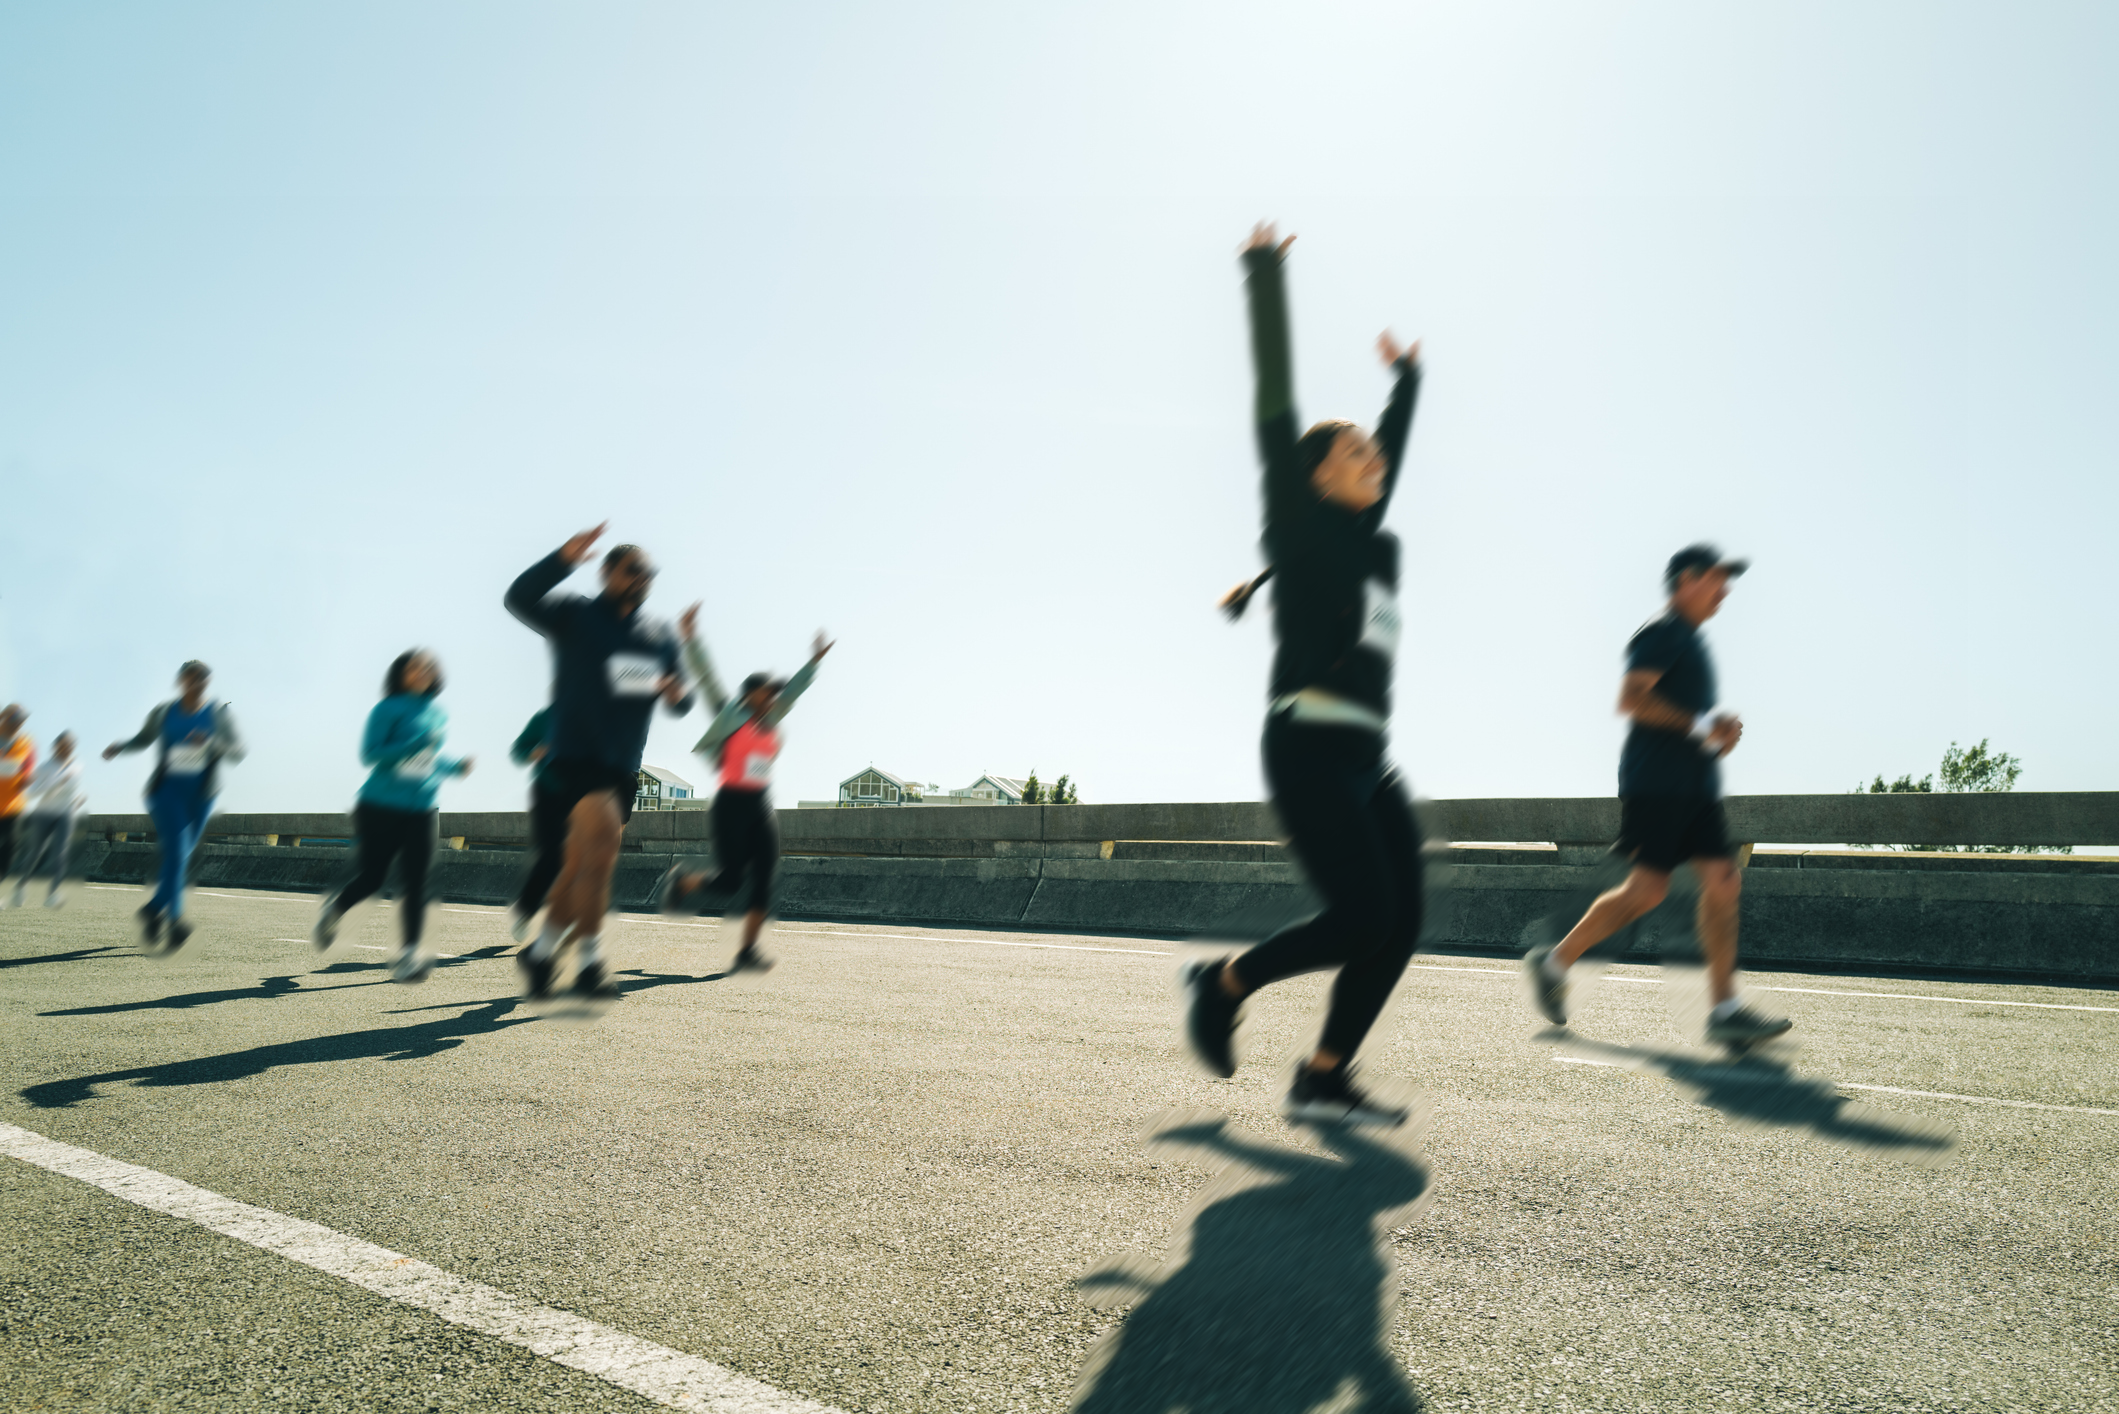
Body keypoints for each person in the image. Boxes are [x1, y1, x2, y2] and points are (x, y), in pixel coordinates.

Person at [1180, 222, 1426, 1128]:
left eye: (1376, 452)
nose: (1375, 459)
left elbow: (1394, 441)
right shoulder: (1296, 522)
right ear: (1316, 476)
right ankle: (1225, 981)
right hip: (1306, 745)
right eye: (1356, 452)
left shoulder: (1370, 538)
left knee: (1400, 921)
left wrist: (1407, 381)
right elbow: (1273, 403)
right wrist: (1262, 276)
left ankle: (1323, 1075)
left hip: (1369, 757)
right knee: (1362, 914)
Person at [1523, 545, 1792, 1048]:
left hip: (1693, 785)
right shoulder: (1662, 633)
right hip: (1657, 784)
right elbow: (1633, 698)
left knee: (1723, 880)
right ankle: (1555, 960)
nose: (1725, 590)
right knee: (1648, 891)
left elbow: (1683, 723)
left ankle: (1726, 1010)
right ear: (1686, 581)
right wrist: (1701, 724)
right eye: (1716, 579)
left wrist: (1714, 737)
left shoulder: (1691, 644)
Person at [506, 525, 692, 999]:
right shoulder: (575, 615)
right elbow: (518, 598)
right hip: (576, 758)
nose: (642, 578)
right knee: (603, 855)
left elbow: (681, 699)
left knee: (579, 867)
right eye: (633, 570)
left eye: (648, 573)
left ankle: (541, 951)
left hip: (623, 765)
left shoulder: (660, 633)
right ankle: (589, 964)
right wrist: (561, 560)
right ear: (607, 571)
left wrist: (677, 692)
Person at [656, 608, 833, 970]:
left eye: (774, 695)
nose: (773, 699)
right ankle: (685, 882)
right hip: (730, 805)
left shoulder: (772, 718)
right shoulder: (729, 714)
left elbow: (794, 690)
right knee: (731, 879)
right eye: (767, 693)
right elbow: (706, 677)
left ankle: (747, 951)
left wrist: (813, 662)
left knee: (764, 878)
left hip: (760, 804)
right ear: (750, 695)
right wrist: (690, 639)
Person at [311, 650, 474, 982]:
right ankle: (335, 911)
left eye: (428, 667)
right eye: (414, 666)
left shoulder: (437, 712)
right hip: (380, 805)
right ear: (401, 673)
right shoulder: (385, 708)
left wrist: (455, 766)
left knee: (416, 881)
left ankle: (409, 955)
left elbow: (430, 757)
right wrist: (411, 745)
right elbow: (371, 755)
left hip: (423, 806)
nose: (422, 671)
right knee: (373, 878)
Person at [104, 661, 246, 950]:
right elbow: (144, 739)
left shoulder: (218, 714)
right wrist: (121, 746)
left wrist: (212, 742)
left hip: (202, 796)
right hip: (166, 792)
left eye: (202, 680)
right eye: (191, 680)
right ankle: (175, 921)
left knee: (180, 857)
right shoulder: (163, 712)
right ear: (181, 681)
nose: (197, 685)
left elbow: (237, 751)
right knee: (178, 852)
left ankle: (153, 909)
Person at [507, 704, 565, 945]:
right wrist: (536, 751)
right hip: (549, 792)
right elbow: (518, 750)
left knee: (580, 859)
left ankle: (563, 922)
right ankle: (526, 911)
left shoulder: (598, 714)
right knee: (551, 857)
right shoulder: (547, 716)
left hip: (588, 795)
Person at [9, 731, 86, 908]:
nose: (66, 749)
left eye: (69, 746)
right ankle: (20, 887)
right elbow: (32, 792)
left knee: (61, 854)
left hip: (66, 814)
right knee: (36, 852)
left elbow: (73, 789)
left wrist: (79, 797)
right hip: (44, 813)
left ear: (72, 747)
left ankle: (52, 895)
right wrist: (55, 785)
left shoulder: (78, 766)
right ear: (55, 747)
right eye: (62, 746)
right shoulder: (44, 767)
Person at [0, 705, 33, 892]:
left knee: (9, 850)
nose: (17, 724)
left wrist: (27, 777)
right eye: (14, 719)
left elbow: (27, 767)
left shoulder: (26, 743)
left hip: (12, 807)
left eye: (21, 721)